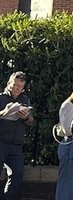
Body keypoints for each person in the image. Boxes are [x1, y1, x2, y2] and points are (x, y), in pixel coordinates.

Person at [0, 71, 33, 200]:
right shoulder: (1, 98)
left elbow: (31, 121)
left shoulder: (25, 99)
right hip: (1, 141)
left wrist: (26, 117)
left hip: (16, 144)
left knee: (17, 174)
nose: (17, 89)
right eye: (15, 85)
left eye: (20, 87)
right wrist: (4, 112)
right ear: (9, 84)